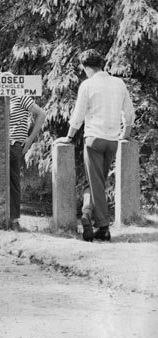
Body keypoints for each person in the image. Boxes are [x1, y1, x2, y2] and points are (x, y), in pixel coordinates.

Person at [55, 49, 134, 242]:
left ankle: (103, 227)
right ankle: (87, 214)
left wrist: (69, 136)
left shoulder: (87, 85)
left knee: (96, 184)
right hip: (112, 141)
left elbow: (78, 115)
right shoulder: (119, 83)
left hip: (94, 140)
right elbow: (129, 113)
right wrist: (125, 134)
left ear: (85, 67)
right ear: (102, 64)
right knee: (97, 182)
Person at [2, 72, 46, 231]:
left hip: (14, 144)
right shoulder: (4, 98)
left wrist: (29, 139)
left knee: (11, 180)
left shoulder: (20, 95)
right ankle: (9, 219)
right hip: (3, 144)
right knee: (6, 180)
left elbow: (41, 114)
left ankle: (13, 220)